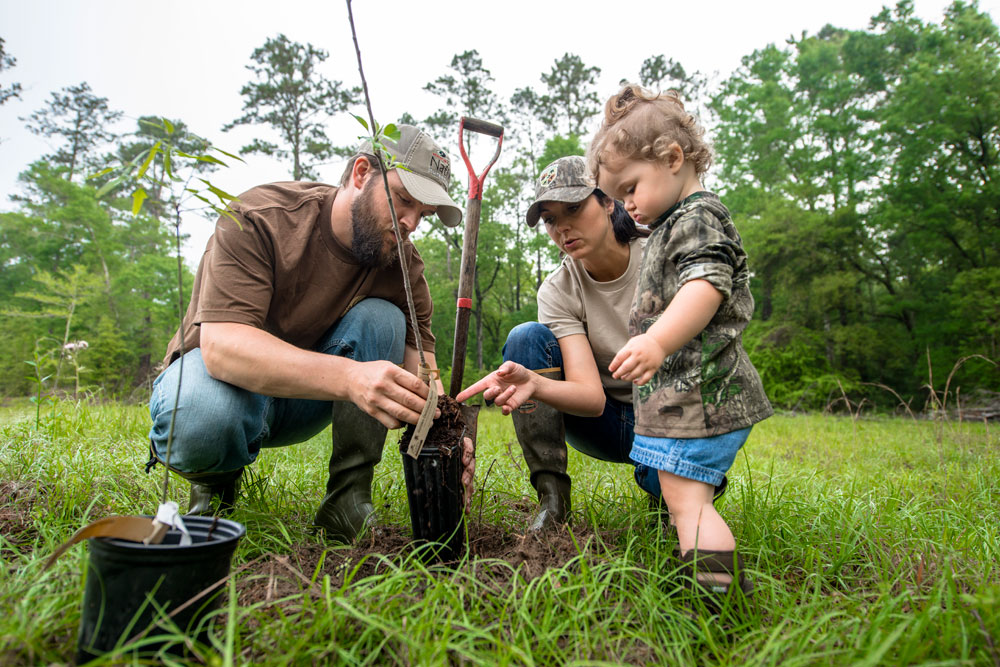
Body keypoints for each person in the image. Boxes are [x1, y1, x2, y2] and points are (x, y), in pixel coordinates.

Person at [147, 124, 474, 542]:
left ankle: (347, 500)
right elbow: (222, 348)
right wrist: (352, 378)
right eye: (404, 200)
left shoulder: (402, 265)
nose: (410, 222)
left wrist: (449, 434)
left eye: (422, 214)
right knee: (201, 416)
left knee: (384, 318)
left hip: (303, 402)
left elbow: (425, 376)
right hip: (222, 387)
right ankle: (213, 490)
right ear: (361, 173)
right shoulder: (259, 217)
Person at [589, 84, 773, 596]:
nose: (626, 205)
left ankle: (716, 608)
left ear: (672, 158)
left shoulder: (698, 218)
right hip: (687, 400)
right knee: (679, 498)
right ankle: (696, 573)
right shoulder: (674, 222)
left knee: (690, 503)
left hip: (703, 398)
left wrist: (658, 342)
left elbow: (706, 285)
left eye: (630, 188)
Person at [458, 154, 669, 531]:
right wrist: (535, 383)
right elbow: (590, 399)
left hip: (668, 418)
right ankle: (552, 503)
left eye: (574, 207)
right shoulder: (558, 289)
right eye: (551, 219)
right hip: (601, 420)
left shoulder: (661, 257)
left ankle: (668, 492)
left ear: (608, 201)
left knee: (675, 495)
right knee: (525, 338)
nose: (562, 228)